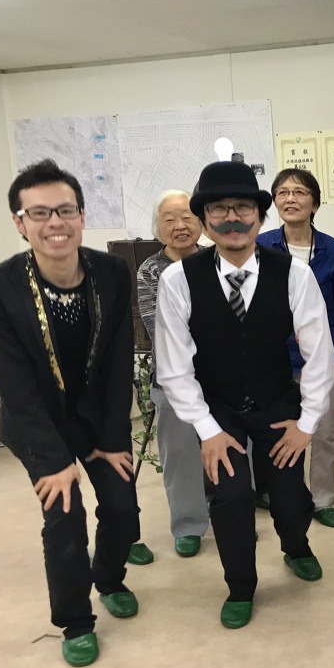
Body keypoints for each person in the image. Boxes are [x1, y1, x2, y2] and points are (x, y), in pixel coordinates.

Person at [156, 160, 334, 630]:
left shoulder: (293, 273)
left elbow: (319, 353)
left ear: (260, 215)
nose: (232, 218)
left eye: (242, 207)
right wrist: (207, 430)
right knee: (231, 497)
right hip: (217, 410)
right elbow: (174, 368)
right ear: (204, 219)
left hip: (277, 404)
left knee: (290, 497)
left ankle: (296, 546)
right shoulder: (178, 280)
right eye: (219, 209)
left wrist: (307, 424)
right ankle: (240, 586)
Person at [0, 159, 141, 667]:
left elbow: (118, 362)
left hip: (98, 420)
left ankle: (109, 578)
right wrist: (53, 460)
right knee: (64, 516)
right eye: (40, 212)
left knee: (122, 507)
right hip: (37, 425)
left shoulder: (111, 273)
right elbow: (13, 381)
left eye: (66, 210)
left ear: (82, 216)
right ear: (20, 222)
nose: (55, 223)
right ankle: (75, 621)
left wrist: (111, 439)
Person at [258, 168, 334, 528]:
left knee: (324, 433)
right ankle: (288, 497)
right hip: (274, 359)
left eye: (299, 192)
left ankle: (324, 499)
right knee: (281, 432)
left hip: (322, 358)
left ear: (314, 203)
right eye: (282, 193)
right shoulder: (261, 246)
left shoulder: (333, 249)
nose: (290, 199)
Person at [138, 189, 209, 558]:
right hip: (173, 378)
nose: (180, 225)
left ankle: (232, 514)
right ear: (158, 227)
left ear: (201, 221)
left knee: (234, 447)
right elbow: (160, 328)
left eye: (187, 217)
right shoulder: (151, 271)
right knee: (179, 453)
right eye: (170, 219)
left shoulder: (218, 259)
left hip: (221, 376)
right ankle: (188, 524)